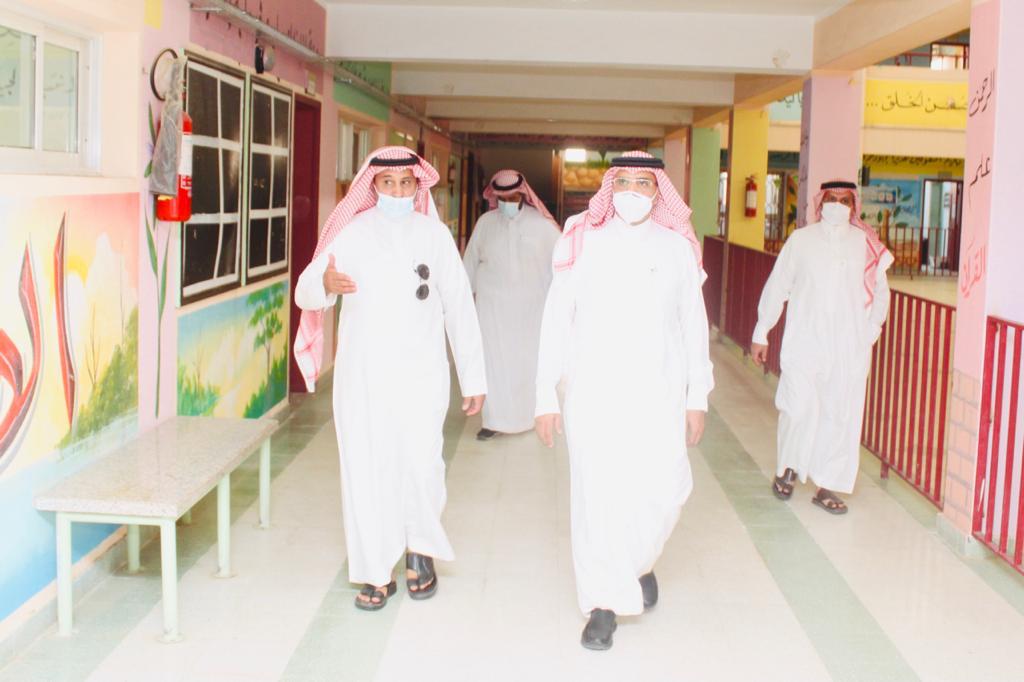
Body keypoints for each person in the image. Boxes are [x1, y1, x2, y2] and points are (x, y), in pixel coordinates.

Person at [293, 146, 486, 611]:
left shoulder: (434, 235)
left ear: (418, 186)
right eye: (388, 183)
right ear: (372, 186)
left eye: (406, 183)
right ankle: (375, 571)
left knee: (422, 465)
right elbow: (303, 290)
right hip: (364, 376)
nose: (397, 191)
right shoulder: (351, 233)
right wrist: (325, 285)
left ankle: (421, 550)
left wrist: (473, 376)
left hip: (422, 373)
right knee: (367, 468)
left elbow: (459, 305)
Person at [534, 151, 713, 650]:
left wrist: (697, 395)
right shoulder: (582, 239)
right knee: (598, 496)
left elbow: (693, 325)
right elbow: (556, 319)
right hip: (594, 394)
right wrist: (545, 394)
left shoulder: (677, 247)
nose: (633, 191)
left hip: (659, 394)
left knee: (664, 491)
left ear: (659, 192)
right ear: (610, 188)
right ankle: (603, 603)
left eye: (644, 182)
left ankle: (638, 562)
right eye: (624, 182)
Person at [751, 180, 893, 515]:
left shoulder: (866, 244)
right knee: (797, 405)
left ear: (853, 206)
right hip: (804, 339)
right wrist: (761, 331)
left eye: (845, 200)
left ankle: (826, 485)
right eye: (832, 198)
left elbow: (881, 293)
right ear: (820, 202)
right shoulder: (801, 240)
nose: (838, 204)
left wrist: (869, 332)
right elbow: (778, 285)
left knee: (839, 413)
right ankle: (787, 468)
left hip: (848, 346)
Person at [463, 170, 560, 441]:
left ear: (523, 195)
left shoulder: (542, 225)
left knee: (527, 363)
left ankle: (528, 417)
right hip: (492, 311)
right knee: (494, 365)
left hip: (531, 311)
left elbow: (562, 263)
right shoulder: (485, 223)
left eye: (513, 197)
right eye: (502, 198)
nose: (507, 202)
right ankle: (494, 421)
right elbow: (470, 263)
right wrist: (462, 301)